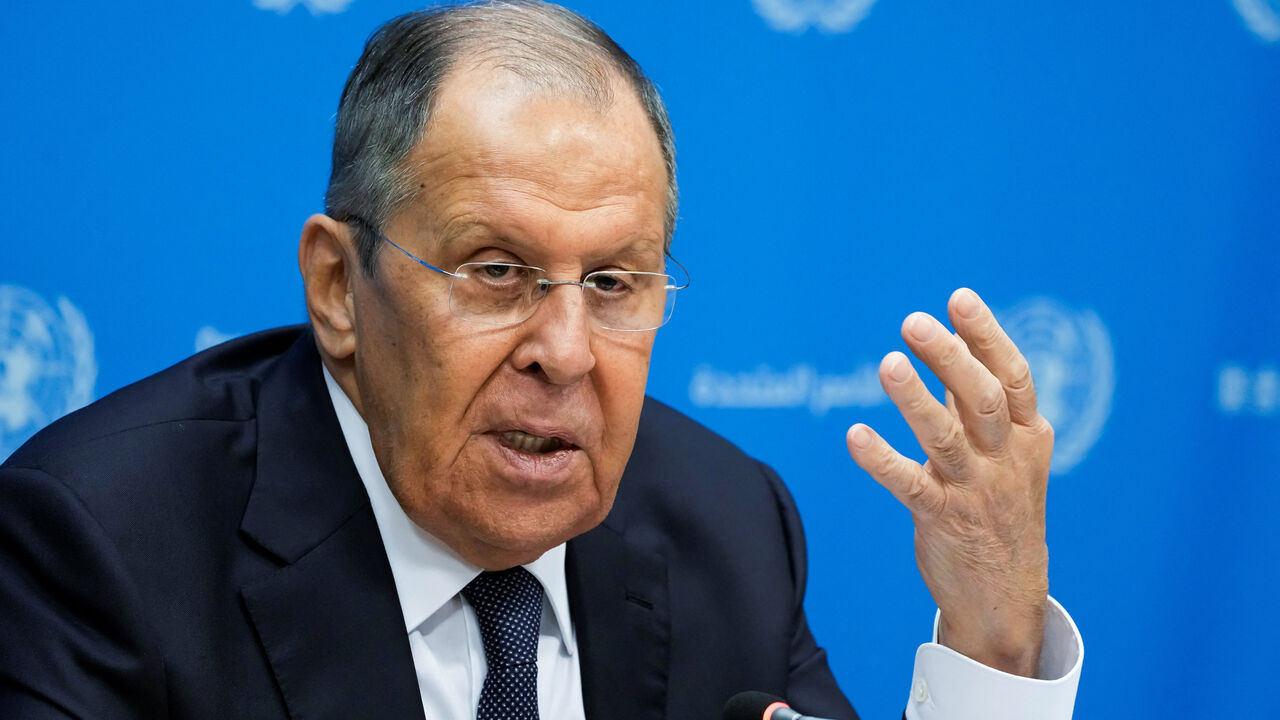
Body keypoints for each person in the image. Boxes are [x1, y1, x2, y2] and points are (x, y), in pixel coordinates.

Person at [0, 2, 1081, 719]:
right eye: (495, 271)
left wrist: (990, 634)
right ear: (338, 286)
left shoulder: (726, 527)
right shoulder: (102, 543)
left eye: (612, 282)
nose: (564, 354)